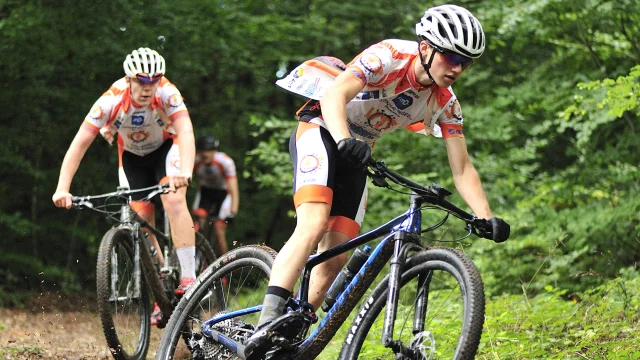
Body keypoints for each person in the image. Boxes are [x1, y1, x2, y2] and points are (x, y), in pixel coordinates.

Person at [244, 4, 510, 355]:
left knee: (335, 257)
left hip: (358, 149)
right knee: (314, 223)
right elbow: (335, 95)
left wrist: (485, 216)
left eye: (466, 62)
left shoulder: (446, 103)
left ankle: (286, 340)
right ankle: (265, 323)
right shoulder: (387, 56)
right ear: (426, 47)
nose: (458, 68)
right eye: (450, 57)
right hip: (323, 128)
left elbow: (462, 169)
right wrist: (342, 139)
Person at [51, 47, 197, 325]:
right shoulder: (109, 101)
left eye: (153, 82)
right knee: (140, 221)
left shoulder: (168, 93)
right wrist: (62, 188)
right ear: (129, 79)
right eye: (141, 82)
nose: (147, 88)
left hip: (168, 148)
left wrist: (186, 171)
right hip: (131, 157)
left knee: (174, 200)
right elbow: (79, 144)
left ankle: (189, 276)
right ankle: (161, 286)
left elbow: (186, 130)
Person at [191, 134, 240, 256]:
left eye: (209, 151)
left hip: (223, 194)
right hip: (205, 192)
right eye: (202, 151)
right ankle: (193, 258)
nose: (205, 154)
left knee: (219, 230)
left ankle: (225, 266)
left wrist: (233, 211)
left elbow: (234, 188)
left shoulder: (225, 162)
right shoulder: (195, 161)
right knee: (195, 226)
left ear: (214, 151)